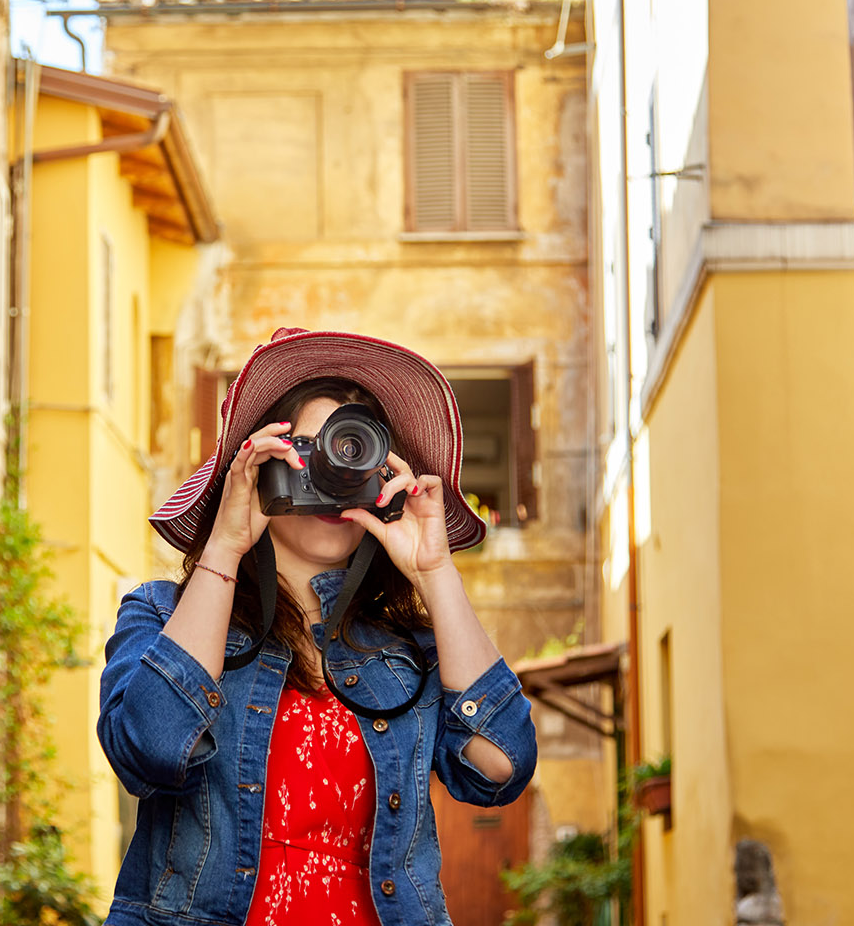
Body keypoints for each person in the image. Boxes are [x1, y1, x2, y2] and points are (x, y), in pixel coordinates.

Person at [97, 327, 538, 926]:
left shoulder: (414, 651)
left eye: (355, 451)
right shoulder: (161, 615)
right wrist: (226, 545)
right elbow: (147, 750)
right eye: (311, 451)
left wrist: (436, 574)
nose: (335, 472)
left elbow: (501, 767)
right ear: (255, 466)